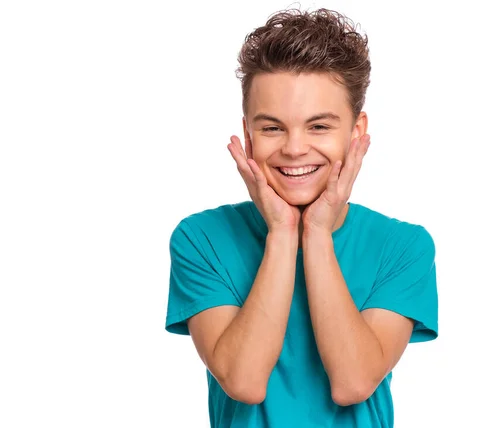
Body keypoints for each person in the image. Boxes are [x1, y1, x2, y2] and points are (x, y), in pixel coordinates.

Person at [165, 7, 438, 428]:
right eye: (273, 128)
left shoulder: (403, 246)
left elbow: (353, 382)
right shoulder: (201, 238)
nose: (294, 149)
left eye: (318, 127)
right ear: (249, 133)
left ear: (356, 132)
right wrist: (282, 230)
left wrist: (317, 233)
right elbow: (244, 381)